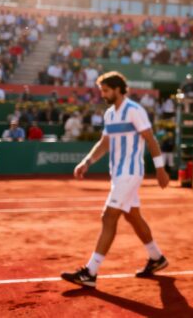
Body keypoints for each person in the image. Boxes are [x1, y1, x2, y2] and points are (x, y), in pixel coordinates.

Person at [61, 72, 170, 288]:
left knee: (108, 217)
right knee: (133, 217)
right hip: (118, 174)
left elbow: (150, 139)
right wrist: (87, 162)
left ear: (118, 89)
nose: (103, 95)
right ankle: (157, 257)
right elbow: (104, 143)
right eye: (102, 91)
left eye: (106, 91)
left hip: (130, 173)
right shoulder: (110, 114)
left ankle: (90, 272)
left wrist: (160, 169)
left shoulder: (135, 110)